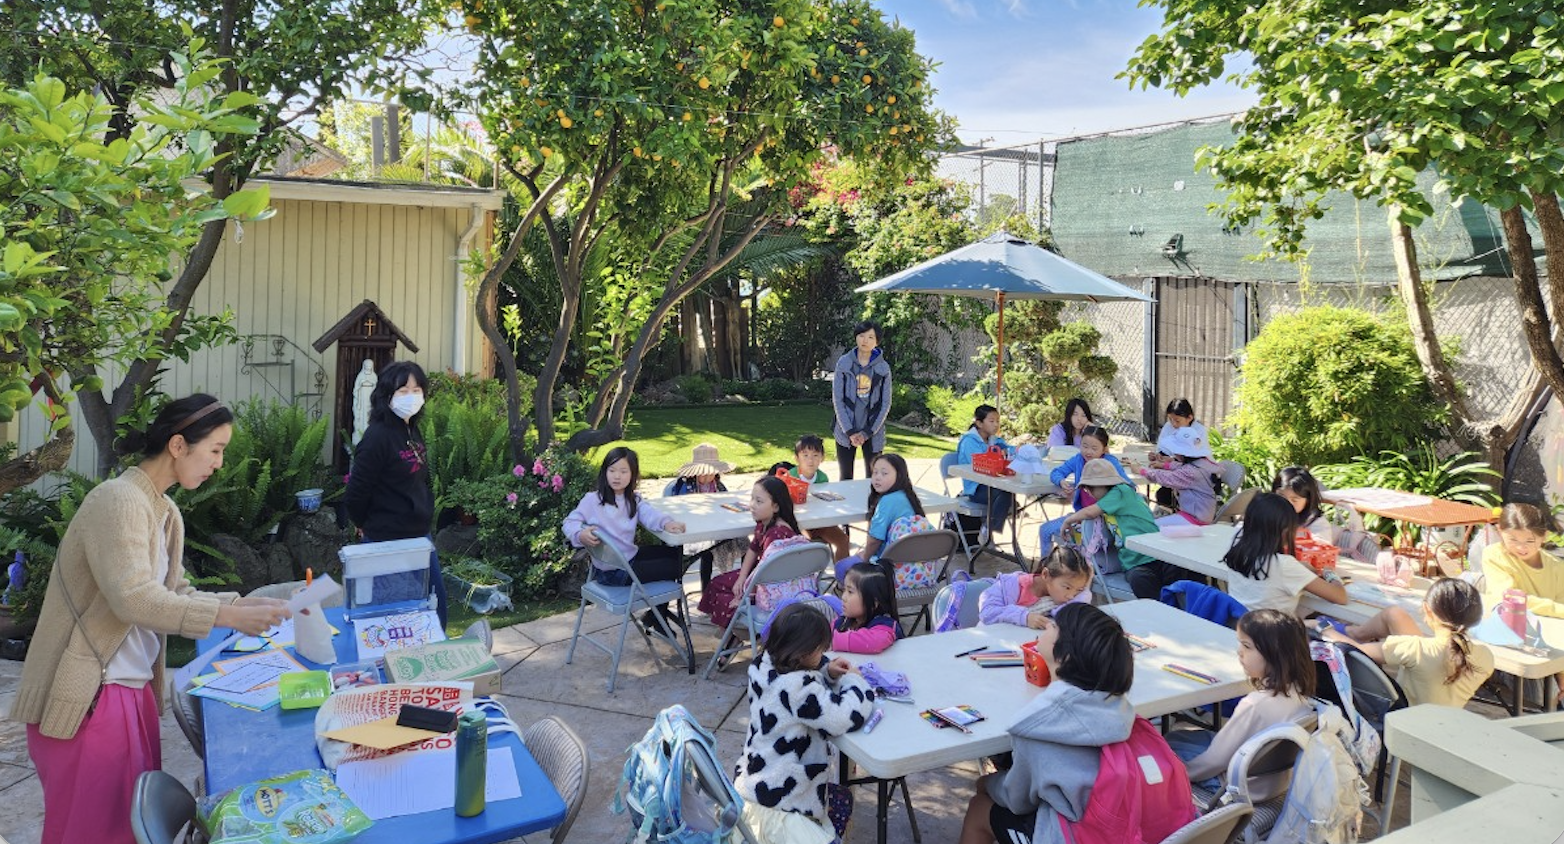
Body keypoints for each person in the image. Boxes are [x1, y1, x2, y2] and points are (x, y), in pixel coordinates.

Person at [12, 394, 291, 844]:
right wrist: (228, 617)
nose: (219, 463)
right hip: (90, 698)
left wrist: (243, 606)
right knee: (92, 834)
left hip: (127, 689)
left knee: (125, 830)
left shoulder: (164, 510)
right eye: (216, 450)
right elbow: (135, 600)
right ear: (178, 445)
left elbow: (172, 592)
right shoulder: (119, 500)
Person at [959, 603, 1173, 844]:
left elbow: (1016, 800)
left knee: (980, 808)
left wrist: (987, 783)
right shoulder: (1118, 708)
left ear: (1065, 656)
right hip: (1122, 829)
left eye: (1056, 625)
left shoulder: (1038, 726)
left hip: (1073, 837)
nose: (1048, 624)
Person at [736, 603, 875, 843]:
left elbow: (796, 688)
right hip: (785, 803)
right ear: (802, 654)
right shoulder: (799, 689)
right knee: (840, 803)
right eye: (820, 651)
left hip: (755, 781)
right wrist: (856, 682)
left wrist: (825, 670)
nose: (824, 654)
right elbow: (843, 717)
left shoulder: (762, 665)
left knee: (839, 797)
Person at [343, 360, 450, 627]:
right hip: (387, 543)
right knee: (396, 621)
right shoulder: (377, 437)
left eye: (416, 390)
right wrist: (364, 523)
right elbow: (356, 493)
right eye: (403, 391)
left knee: (435, 612)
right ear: (386, 396)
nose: (411, 397)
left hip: (419, 538)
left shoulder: (411, 429)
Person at [1166, 609, 1316, 793]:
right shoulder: (1300, 692)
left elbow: (1215, 761)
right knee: (1179, 736)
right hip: (1275, 783)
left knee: (1166, 747)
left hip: (1236, 786)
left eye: (1246, 646)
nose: (1239, 652)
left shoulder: (1255, 704)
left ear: (1273, 653)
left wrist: (1181, 774)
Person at [564, 447, 687, 630]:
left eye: (623, 471)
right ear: (604, 472)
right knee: (677, 565)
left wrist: (665, 523)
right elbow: (569, 522)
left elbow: (649, 514)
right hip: (616, 572)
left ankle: (656, 615)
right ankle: (657, 617)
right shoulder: (592, 500)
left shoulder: (632, 500)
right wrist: (579, 534)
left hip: (625, 561)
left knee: (672, 554)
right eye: (612, 470)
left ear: (633, 474)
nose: (617, 476)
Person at [1321, 578, 1494, 708]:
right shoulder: (1486, 657)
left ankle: (1349, 631)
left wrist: (1323, 628)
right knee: (1395, 615)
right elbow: (1440, 656)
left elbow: (1355, 651)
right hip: (1445, 727)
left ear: (1427, 609)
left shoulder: (1415, 649)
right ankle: (1353, 631)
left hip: (1404, 725)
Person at [1058, 458, 1170, 600]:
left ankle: (1178, 607)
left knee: (1181, 570)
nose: (1089, 493)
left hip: (1155, 554)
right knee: (1140, 579)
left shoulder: (1121, 491)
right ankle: (1161, 610)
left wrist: (1068, 520)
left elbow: (1089, 512)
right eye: (1086, 489)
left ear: (1107, 485)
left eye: (1090, 488)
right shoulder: (1109, 504)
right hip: (1133, 562)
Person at [699, 476, 799, 632]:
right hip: (759, 578)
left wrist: (746, 596)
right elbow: (752, 549)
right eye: (752, 499)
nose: (752, 505)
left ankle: (733, 635)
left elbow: (769, 575)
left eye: (759, 501)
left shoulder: (776, 535)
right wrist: (742, 577)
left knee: (726, 599)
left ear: (776, 507)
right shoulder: (764, 524)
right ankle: (728, 631)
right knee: (717, 583)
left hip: (772, 590)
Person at [1221, 493, 1347, 615]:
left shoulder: (1237, 550)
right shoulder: (1284, 565)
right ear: (1285, 532)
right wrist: (1329, 573)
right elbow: (1340, 596)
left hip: (1239, 626)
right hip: (1272, 633)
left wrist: (1298, 567)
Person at [833, 453, 925, 581]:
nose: (877, 477)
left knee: (841, 566)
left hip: (889, 568)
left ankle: (846, 597)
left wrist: (864, 557)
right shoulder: (908, 496)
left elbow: (874, 541)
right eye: (875, 473)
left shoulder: (887, 501)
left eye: (884, 473)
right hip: (913, 566)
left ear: (899, 475)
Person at [1038, 426, 1132, 550]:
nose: (1088, 452)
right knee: (1045, 530)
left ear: (1104, 449)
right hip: (1081, 516)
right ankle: (1045, 567)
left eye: (1094, 448)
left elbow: (1128, 486)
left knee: (1077, 541)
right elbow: (1056, 472)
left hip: (1106, 519)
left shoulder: (1110, 462)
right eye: (1084, 446)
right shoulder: (1078, 459)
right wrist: (1061, 482)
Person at [831, 320, 892, 480]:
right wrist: (850, 431)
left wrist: (868, 432)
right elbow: (838, 399)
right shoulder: (844, 363)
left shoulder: (883, 368)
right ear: (856, 337)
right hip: (845, 430)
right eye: (862, 335)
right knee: (845, 477)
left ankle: (871, 505)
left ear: (877, 341)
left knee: (874, 478)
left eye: (871, 337)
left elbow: (885, 403)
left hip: (873, 430)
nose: (865, 340)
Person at [1480, 501, 1564, 617]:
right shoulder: (1494, 555)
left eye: (1530, 541)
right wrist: (1554, 609)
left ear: (1544, 536)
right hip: (1508, 622)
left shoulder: (1557, 566)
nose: (1521, 547)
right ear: (1500, 531)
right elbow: (1509, 598)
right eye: (1513, 540)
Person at [979, 545, 1095, 628]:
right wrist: (1024, 617)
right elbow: (987, 612)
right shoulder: (1011, 585)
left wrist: (1086, 586)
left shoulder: (1058, 595)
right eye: (1067, 587)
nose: (1071, 596)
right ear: (1045, 575)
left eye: (1078, 590)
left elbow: (1073, 611)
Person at [954, 404, 1015, 543]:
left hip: (993, 484)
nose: (996, 425)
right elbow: (977, 465)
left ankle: (988, 528)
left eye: (998, 421)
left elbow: (1009, 450)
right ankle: (988, 530)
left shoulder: (995, 440)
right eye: (991, 421)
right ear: (979, 423)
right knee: (1006, 496)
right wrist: (999, 456)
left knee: (1008, 495)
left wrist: (1014, 450)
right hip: (975, 488)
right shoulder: (969, 441)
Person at [1139, 425, 1221, 525]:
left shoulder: (1190, 473)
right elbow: (1183, 466)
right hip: (1203, 514)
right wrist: (1166, 465)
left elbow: (1167, 478)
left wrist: (1142, 471)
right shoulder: (1203, 463)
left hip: (1194, 518)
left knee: (1149, 527)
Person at [791, 434, 850, 560]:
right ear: (797, 458)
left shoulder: (823, 478)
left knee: (843, 540)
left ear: (822, 458)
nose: (810, 460)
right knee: (804, 546)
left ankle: (843, 575)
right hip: (797, 524)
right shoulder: (790, 477)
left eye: (815, 455)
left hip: (820, 522)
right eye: (805, 455)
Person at [832, 562, 905, 654]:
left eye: (850, 592)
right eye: (844, 590)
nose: (843, 597)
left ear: (874, 602)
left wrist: (832, 640)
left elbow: (874, 643)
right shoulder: (842, 622)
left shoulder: (885, 624)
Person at [1152, 398, 1208, 509]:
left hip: (1195, 475)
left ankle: (1172, 516)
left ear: (1189, 418)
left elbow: (1195, 458)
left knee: (1165, 494)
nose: (1173, 424)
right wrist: (1158, 455)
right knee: (1163, 493)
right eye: (1170, 419)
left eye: (1177, 421)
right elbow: (1162, 447)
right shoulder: (1168, 426)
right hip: (1176, 469)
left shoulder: (1198, 431)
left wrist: (1171, 460)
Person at [1273, 466, 1335, 544]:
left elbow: (1321, 545)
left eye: (1294, 500)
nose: (1286, 503)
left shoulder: (1315, 522)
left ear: (1308, 500)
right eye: (1281, 496)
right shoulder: (1265, 513)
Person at [666, 442, 732, 496]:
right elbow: (682, 502)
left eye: (711, 474)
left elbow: (724, 498)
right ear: (695, 472)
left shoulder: (718, 485)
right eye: (703, 474)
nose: (707, 477)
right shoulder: (685, 485)